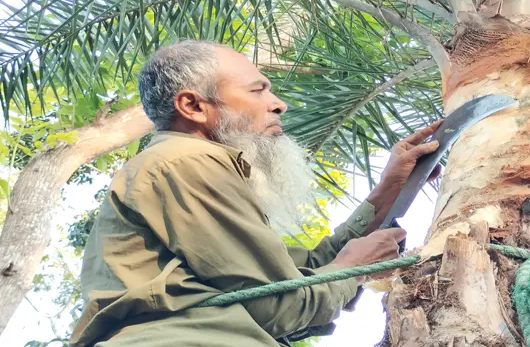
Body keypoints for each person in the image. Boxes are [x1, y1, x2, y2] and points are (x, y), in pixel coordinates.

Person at [70, 40, 442, 346]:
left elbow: (296, 277)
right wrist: (351, 269)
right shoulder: (185, 160)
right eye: (258, 89)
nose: (279, 103)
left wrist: (388, 189)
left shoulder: (178, 166)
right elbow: (281, 305)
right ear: (193, 106)